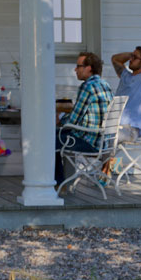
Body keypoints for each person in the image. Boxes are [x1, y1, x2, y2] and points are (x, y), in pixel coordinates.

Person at [55, 52, 113, 187]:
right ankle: (61, 182)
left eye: (78, 66)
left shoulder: (87, 86)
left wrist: (59, 119)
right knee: (57, 136)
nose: (75, 70)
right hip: (103, 142)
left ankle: (58, 183)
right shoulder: (105, 84)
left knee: (49, 141)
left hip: (89, 141)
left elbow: (73, 120)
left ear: (89, 68)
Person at [110, 46, 141, 141]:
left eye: (135, 58)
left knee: (106, 138)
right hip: (114, 126)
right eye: (131, 57)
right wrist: (133, 55)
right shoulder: (125, 75)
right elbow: (115, 59)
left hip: (130, 129)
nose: (130, 60)